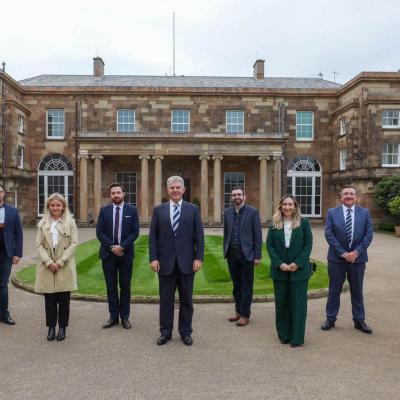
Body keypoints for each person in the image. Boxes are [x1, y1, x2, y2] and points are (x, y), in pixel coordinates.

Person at [149, 176, 204, 346]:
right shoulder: (159, 210)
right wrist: (153, 258)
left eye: (178, 188)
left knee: (187, 300)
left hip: (187, 262)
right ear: (167, 190)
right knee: (166, 300)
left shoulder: (193, 209)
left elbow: (199, 237)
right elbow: (153, 237)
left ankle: (186, 332)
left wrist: (198, 258)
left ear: (183, 190)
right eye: (172, 188)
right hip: (165, 262)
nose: (175, 190)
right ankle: (165, 332)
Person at [321, 184, 374, 334]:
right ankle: (330, 318)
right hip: (337, 259)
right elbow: (329, 234)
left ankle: (359, 320)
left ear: (356, 197)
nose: (349, 196)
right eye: (346, 194)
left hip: (358, 259)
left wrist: (356, 252)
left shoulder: (365, 213)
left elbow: (368, 235)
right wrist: (343, 253)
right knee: (334, 290)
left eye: (352, 194)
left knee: (357, 291)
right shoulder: (332, 212)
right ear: (341, 197)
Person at [266, 194, 313, 347]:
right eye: (285, 204)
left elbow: (308, 245)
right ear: (280, 206)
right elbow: (270, 246)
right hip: (280, 271)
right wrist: (279, 263)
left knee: (298, 306)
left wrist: (297, 263)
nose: (287, 207)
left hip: (299, 271)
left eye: (290, 204)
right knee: (282, 304)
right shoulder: (274, 224)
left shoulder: (304, 223)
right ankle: (284, 335)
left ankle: (297, 338)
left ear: (295, 206)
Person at [96, 183, 139, 330]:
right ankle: (113, 316)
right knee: (111, 286)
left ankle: (125, 317)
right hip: (108, 254)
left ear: (124, 194)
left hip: (126, 254)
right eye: (113, 193)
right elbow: (99, 232)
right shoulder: (104, 210)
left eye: (118, 192)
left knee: (125, 287)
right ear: (110, 195)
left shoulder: (132, 210)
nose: (116, 195)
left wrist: (122, 247)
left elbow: (135, 232)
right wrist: (112, 247)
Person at [35, 193, 77, 341]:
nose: (55, 208)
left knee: (64, 301)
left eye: (58, 205)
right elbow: (39, 245)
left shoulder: (70, 222)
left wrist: (60, 262)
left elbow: (74, 244)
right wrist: (48, 262)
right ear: (48, 207)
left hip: (64, 266)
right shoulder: (42, 224)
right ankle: (52, 328)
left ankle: (63, 328)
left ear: (63, 206)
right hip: (47, 266)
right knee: (50, 302)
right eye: (52, 205)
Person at [223, 186, 262, 326]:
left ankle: (245, 314)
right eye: (234, 195)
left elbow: (258, 235)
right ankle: (238, 311)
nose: (236, 197)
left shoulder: (253, 212)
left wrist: (257, 256)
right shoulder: (227, 212)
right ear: (231, 197)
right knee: (236, 285)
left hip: (247, 255)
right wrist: (225, 251)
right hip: (232, 255)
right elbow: (226, 234)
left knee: (246, 286)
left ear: (244, 196)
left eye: (239, 194)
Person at [0, 183, 23, 325]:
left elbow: (18, 234)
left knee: (3, 285)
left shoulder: (13, 212)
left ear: (3, 193)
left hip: (6, 253)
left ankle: (4, 313)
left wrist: (17, 254)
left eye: (0, 191)